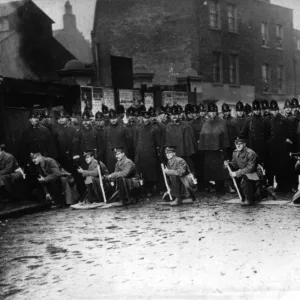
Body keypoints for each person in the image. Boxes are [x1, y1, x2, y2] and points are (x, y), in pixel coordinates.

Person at [198, 102, 231, 194]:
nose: (212, 114)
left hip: (220, 149)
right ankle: (214, 186)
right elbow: (203, 135)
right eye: (210, 112)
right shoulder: (206, 123)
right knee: (211, 170)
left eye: (214, 112)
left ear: (216, 112)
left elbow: (225, 136)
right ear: (208, 113)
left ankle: (221, 188)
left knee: (220, 170)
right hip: (209, 150)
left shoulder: (222, 122)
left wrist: (224, 148)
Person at [224, 137, 261, 206]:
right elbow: (235, 165)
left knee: (246, 180)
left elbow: (250, 169)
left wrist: (236, 173)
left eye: (240, 144)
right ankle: (250, 195)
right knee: (242, 184)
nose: (238, 146)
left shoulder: (251, 153)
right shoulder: (235, 153)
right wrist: (229, 164)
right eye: (236, 144)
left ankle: (248, 200)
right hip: (244, 173)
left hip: (255, 173)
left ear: (244, 144)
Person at [134, 109, 160, 196]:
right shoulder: (138, 128)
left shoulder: (154, 128)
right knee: (141, 171)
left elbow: (157, 142)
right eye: (144, 118)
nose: (146, 120)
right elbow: (135, 141)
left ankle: (151, 188)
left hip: (150, 153)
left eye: (148, 118)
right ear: (142, 118)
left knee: (151, 171)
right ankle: (142, 189)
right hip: (140, 153)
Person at [104, 108, 132, 173]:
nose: (113, 120)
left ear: (117, 117)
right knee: (112, 171)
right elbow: (105, 142)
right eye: (111, 119)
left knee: (123, 172)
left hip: (122, 153)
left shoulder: (124, 128)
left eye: (114, 118)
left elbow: (129, 143)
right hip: (110, 154)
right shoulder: (107, 129)